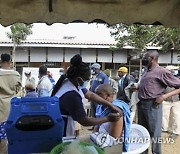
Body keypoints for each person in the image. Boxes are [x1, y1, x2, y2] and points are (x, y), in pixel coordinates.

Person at [51, 54, 121, 137]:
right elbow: (84, 121)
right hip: (62, 130)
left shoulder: (69, 82)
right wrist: (107, 119)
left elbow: (90, 95)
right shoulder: (72, 95)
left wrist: (109, 105)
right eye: (87, 80)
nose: (87, 82)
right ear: (79, 79)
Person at [138, 50, 180, 154]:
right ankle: (144, 151)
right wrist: (137, 87)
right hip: (142, 103)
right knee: (143, 132)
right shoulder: (146, 71)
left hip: (153, 104)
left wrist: (164, 96)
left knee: (154, 133)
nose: (144, 59)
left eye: (146, 58)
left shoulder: (162, 71)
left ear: (154, 59)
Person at [94, 84, 131, 152]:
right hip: (100, 141)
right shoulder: (100, 107)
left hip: (110, 146)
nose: (95, 96)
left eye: (99, 94)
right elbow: (96, 127)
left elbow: (113, 139)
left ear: (107, 96)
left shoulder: (116, 111)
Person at [0, 53, 21, 153]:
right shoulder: (16, 75)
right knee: (11, 135)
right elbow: (18, 91)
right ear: (10, 62)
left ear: (1, 61)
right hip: (13, 110)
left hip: (1, 110)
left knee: (2, 138)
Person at [162, 65, 180, 140]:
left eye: (174, 70)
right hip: (165, 100)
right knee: (164, 116)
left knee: (176, 116)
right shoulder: (163, 79)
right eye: (172, 70)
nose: (173, 71)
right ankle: (164, 129)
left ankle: (176, 131)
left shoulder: (178, 79)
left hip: (176, 100)